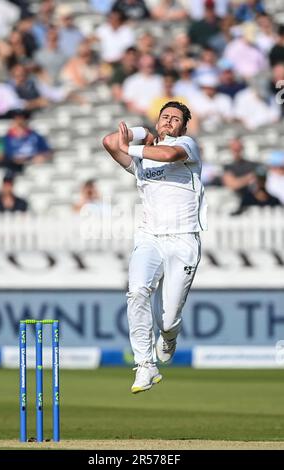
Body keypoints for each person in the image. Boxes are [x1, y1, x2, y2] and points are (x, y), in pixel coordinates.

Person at [103, 101, 206, 393]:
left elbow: (169, 153)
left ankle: (169, 336)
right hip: (149, 237)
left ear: (184, 126)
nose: (169, 121)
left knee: (169, 319)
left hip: (184, 239)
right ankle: (145, 365)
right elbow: (109, 142)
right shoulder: (143, 157)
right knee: (136, 291)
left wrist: (133, 147)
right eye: (165, 117)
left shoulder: (187, 145)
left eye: (175, 119)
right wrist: (139, 133)